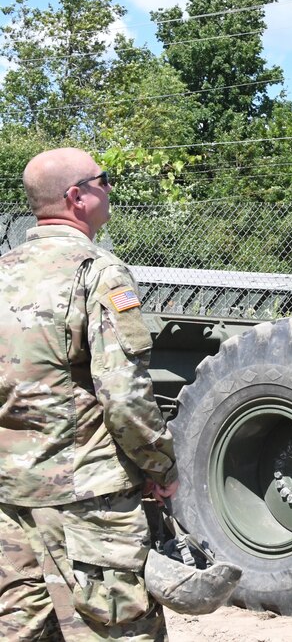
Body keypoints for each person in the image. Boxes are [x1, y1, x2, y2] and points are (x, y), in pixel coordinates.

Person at [0, 148, 178, 640]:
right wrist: (160, 467)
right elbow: (124, 396)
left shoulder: (3, 271)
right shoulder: (97, 271)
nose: (110, 190)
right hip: (88, 497)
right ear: (76, 197)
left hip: (11, 493)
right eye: (105, 180)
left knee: (19, 627)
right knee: (116, 626)